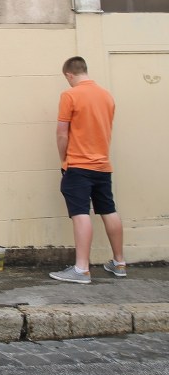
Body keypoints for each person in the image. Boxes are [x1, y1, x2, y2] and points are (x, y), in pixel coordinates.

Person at [50, 56, 125, 284]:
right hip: (103, 166)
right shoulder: (107, 96)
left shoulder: (70, 95)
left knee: (80, 212)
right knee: (108, 210)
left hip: (78, 165)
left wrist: (64, 159)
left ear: (69, 75)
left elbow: (62, 133)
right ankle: (119, 262)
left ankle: (81, 269)